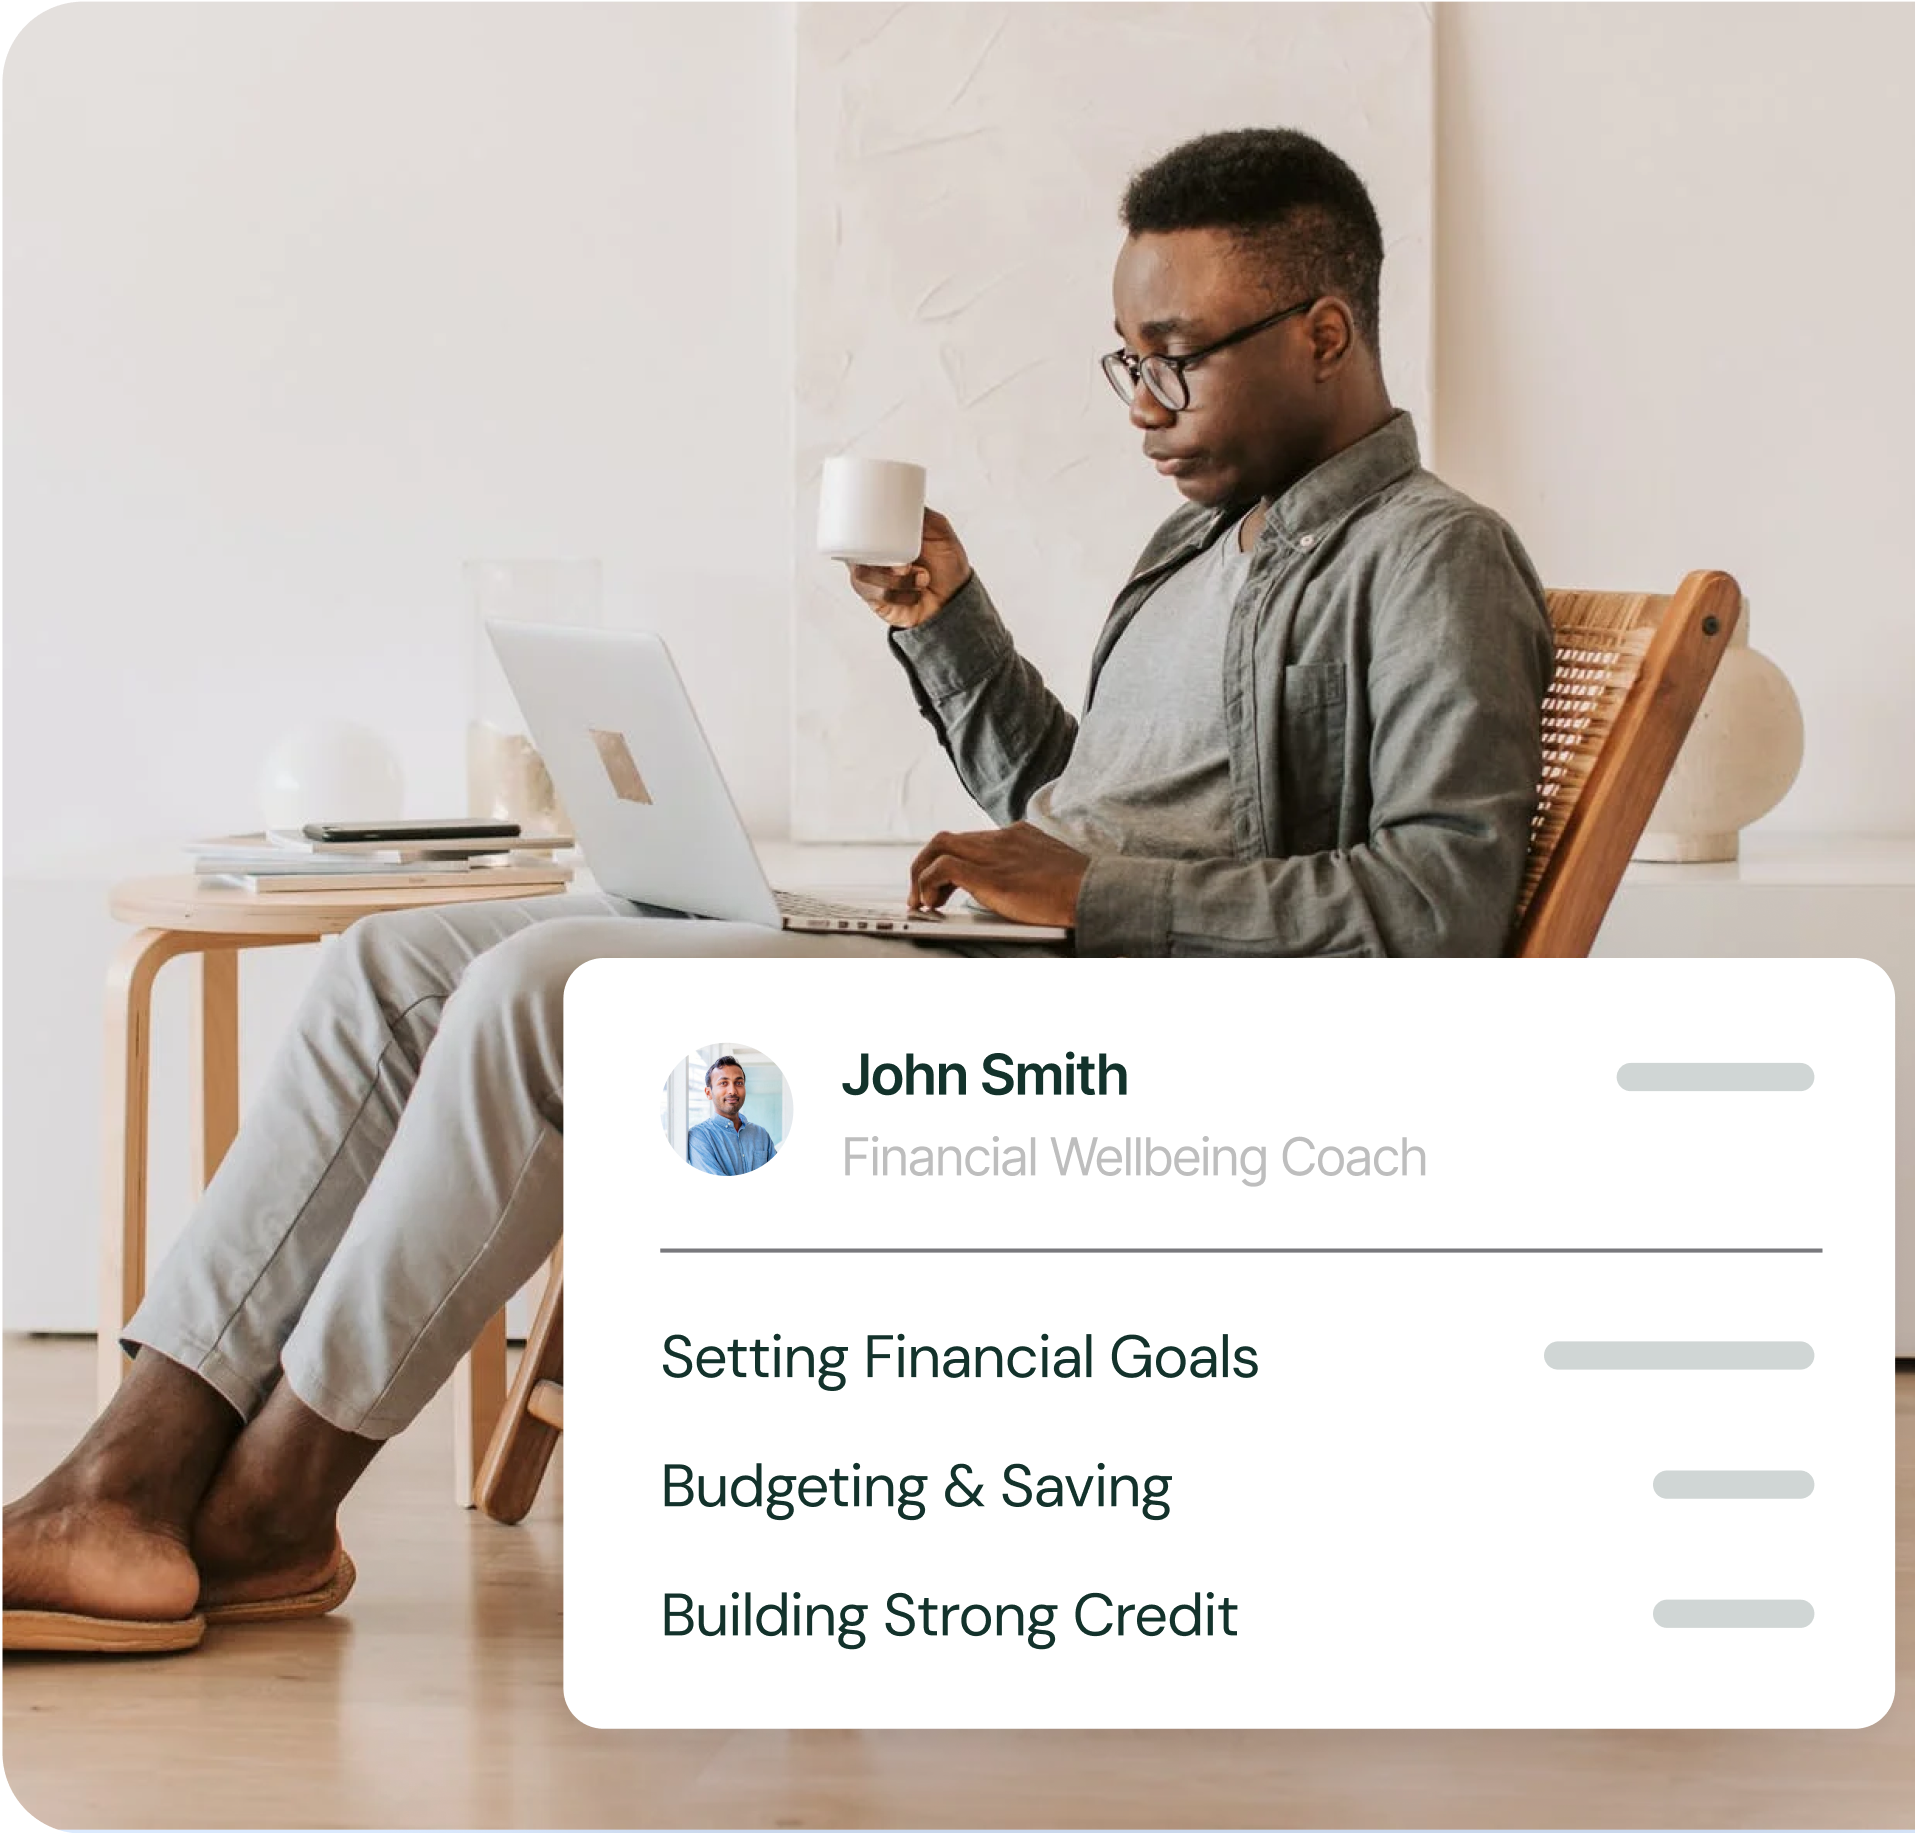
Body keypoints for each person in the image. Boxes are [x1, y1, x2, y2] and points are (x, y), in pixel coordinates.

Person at [0, 127, 1550, 1652]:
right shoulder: (1193, 545)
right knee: (390, 966)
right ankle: (123, 1476)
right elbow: (1068, 803)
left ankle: (275, 1505)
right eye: (1124, 362)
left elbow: (1439, 910)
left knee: (544, 995)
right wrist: (945, 626)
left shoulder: (1431, 558)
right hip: (994, 960)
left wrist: (1091, 896)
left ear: (1322, 332)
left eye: (1174, 358)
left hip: (1106, 1027)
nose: (1141, 403)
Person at [685, 1056, 777, 1176]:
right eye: (723, 1083)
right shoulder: (699, 1136)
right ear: (708, 1093)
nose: (732, 1091)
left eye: (739, 1083)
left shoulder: (761, 1134)